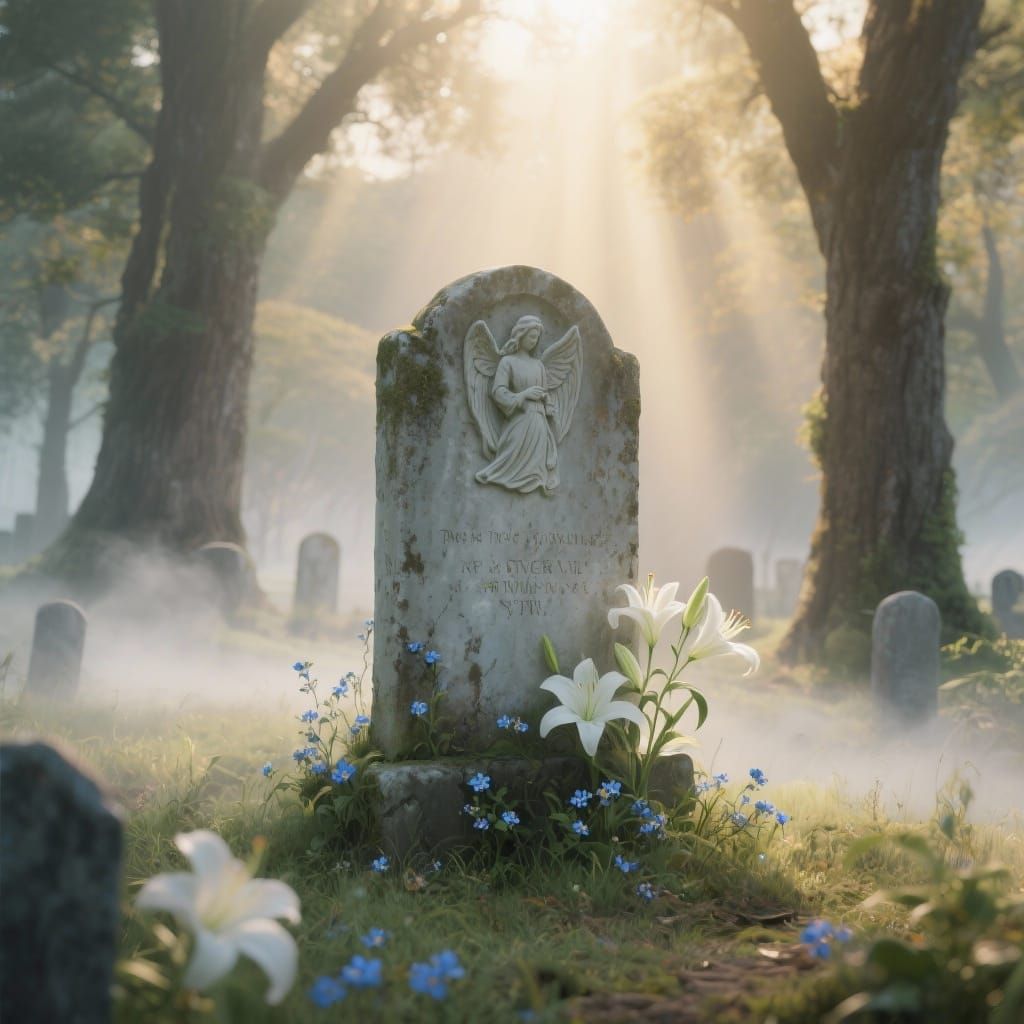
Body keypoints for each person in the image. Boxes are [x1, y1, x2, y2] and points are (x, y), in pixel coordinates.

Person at [475, 315, 559, 494]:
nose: (534, 341)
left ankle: (536, 484)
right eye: (531, 336)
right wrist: (524, 395)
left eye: (536, 337)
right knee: (510, 460)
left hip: (539, 421)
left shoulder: (539, 366)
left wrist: (548, 403)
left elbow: (545, 393)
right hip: (520, 419)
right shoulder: (508, 362)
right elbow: (498, 392)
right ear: (520, 335)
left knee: (537, 468)